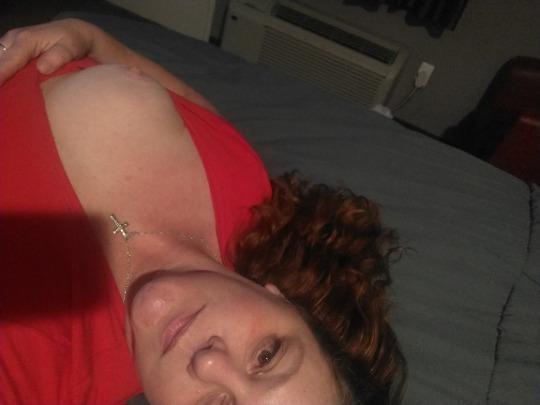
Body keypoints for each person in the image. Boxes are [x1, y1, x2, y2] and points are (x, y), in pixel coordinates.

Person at [0, 18, 405, 405]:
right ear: (286, 302)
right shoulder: (249, 194)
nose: (209, 363)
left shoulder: (42, 375)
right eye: (267, 355)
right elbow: (190, 107)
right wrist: (91, 40)